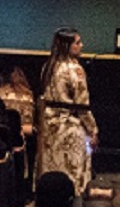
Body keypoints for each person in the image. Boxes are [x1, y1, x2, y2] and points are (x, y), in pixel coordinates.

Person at [38, 27, 98, 197]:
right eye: (77, 43)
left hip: (48, 126)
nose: (82, 45)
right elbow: (82, 105)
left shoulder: (48, 67)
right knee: (73, 174)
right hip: (69, 128)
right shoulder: (75, 70)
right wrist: (93, 130)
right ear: (67, 46)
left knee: (51, 170)